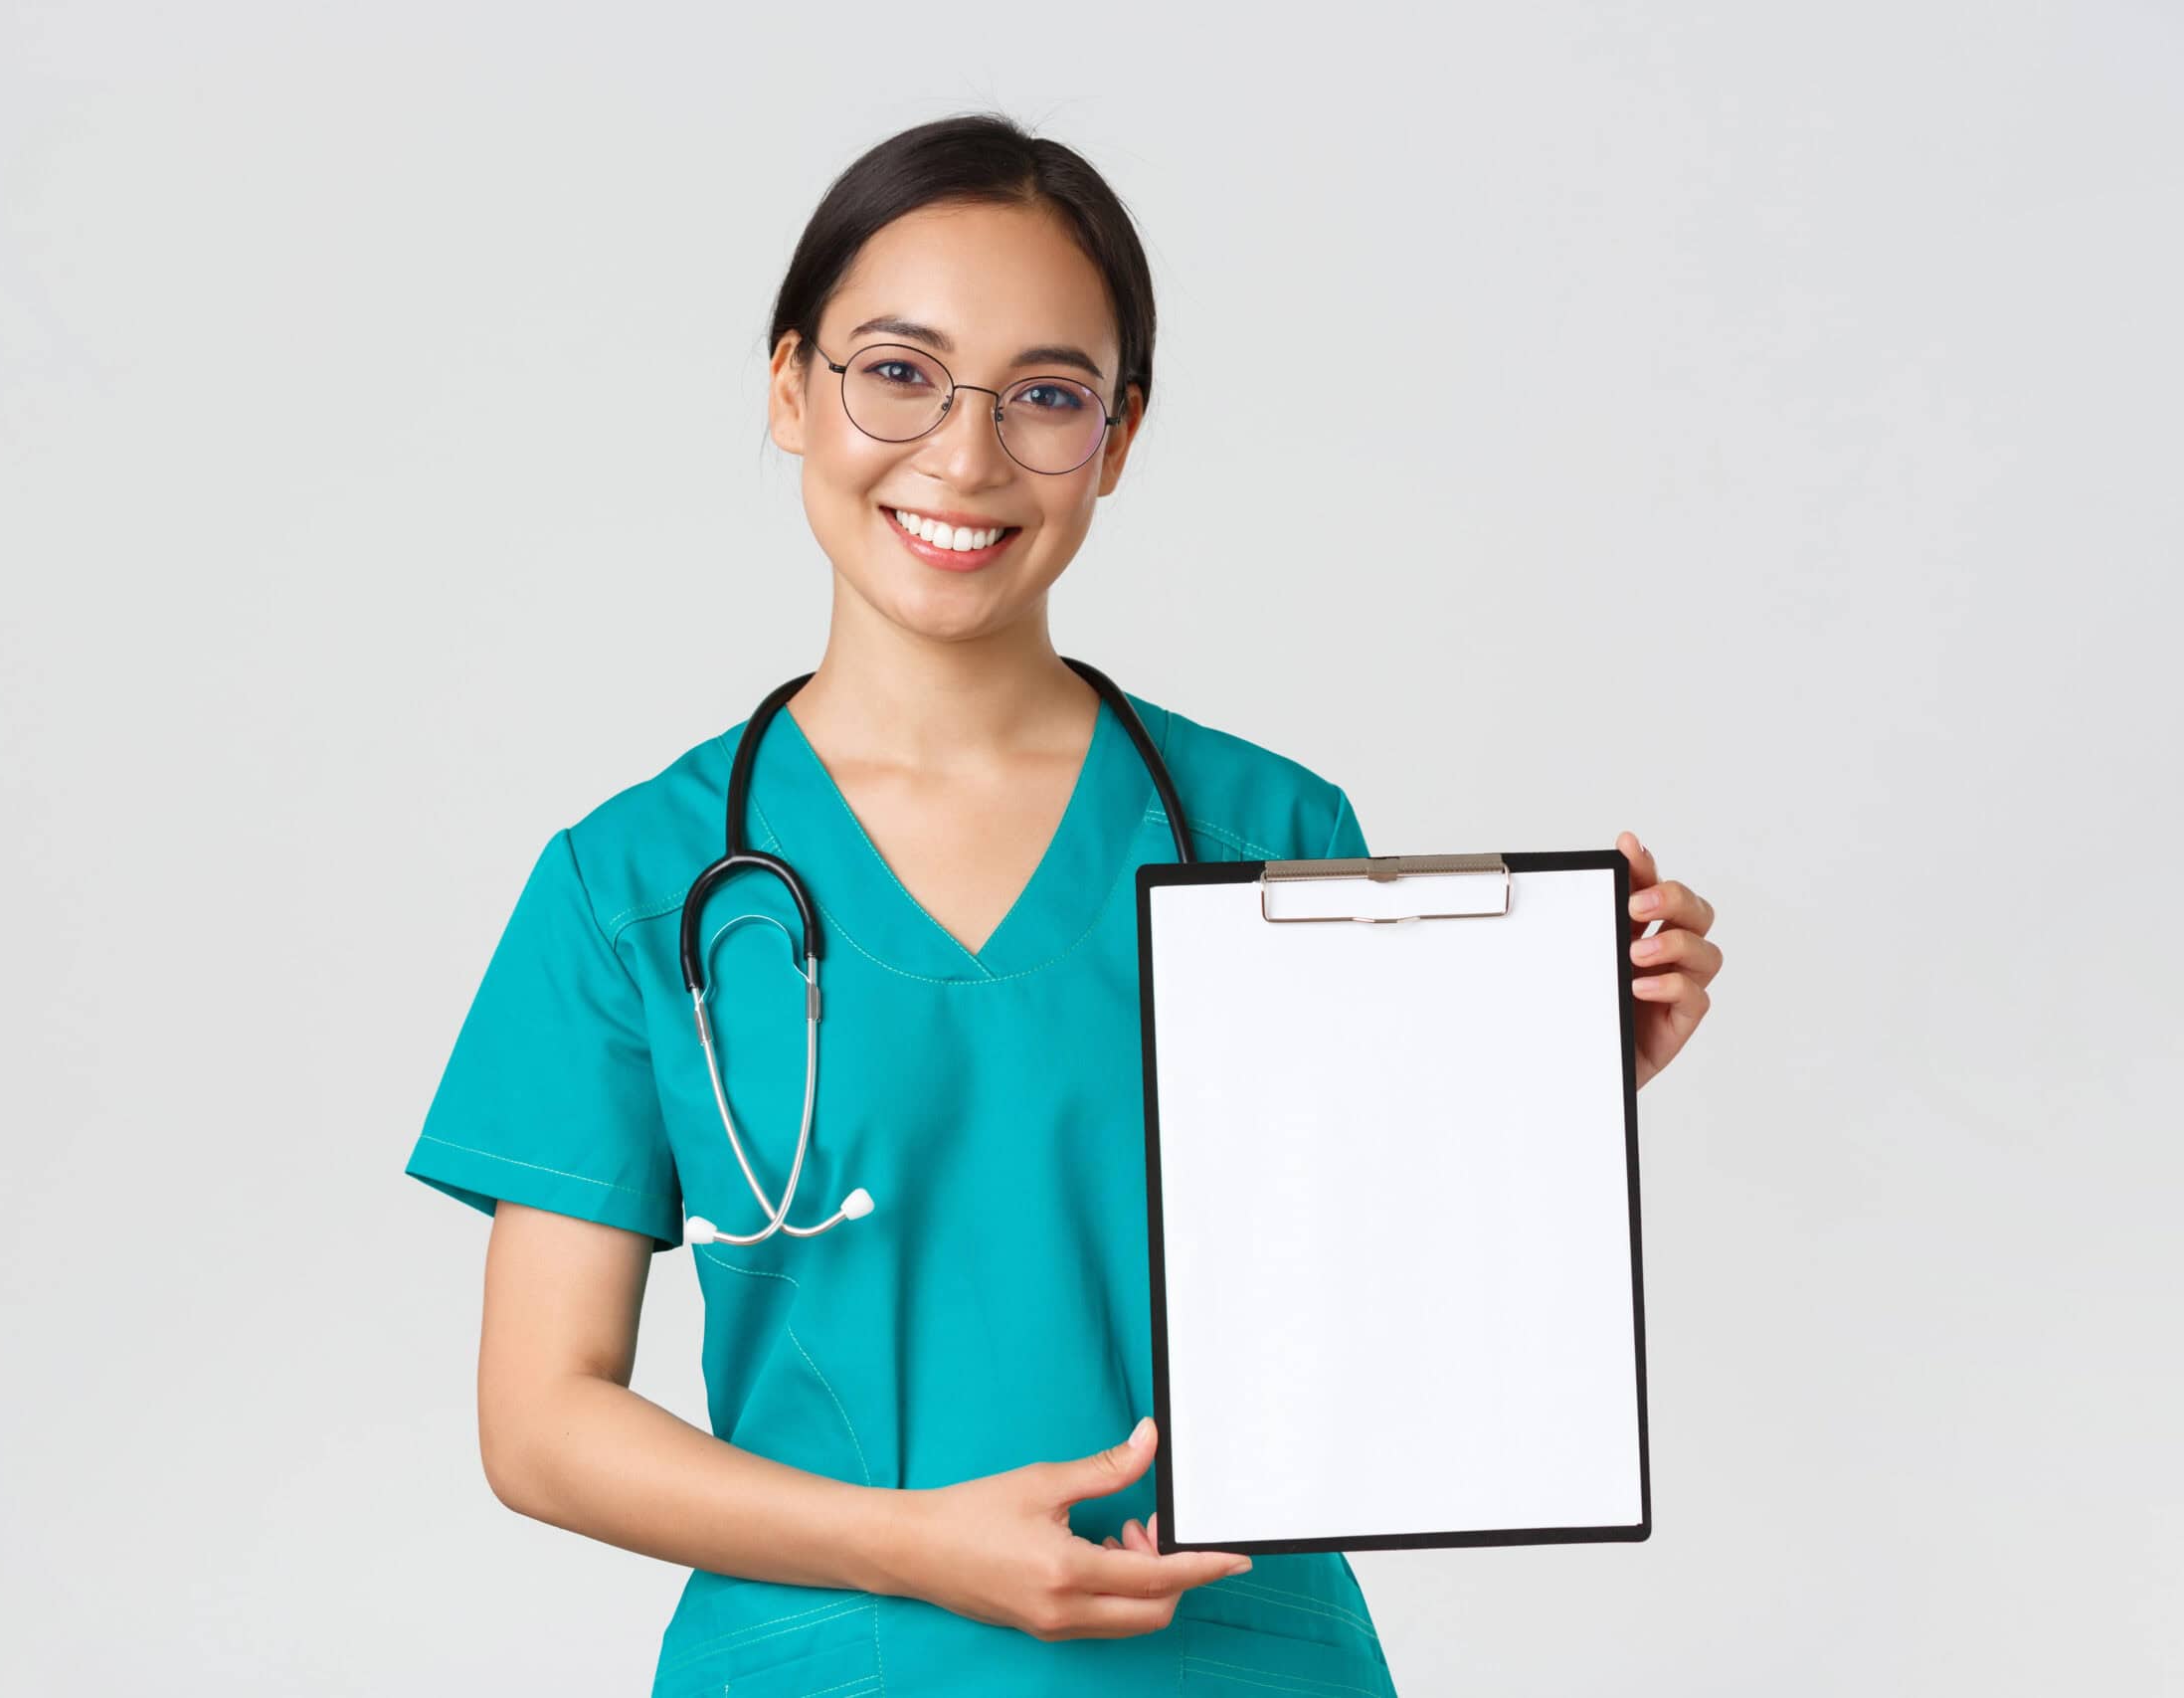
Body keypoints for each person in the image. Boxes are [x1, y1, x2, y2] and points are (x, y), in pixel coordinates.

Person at [402, 111, 1723, 1697]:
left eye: (1044, 395)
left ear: (1119, 435)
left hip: (1230, 1665)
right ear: (790, 387)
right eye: (899, 372)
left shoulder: (1270, 839)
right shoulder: (632, 887)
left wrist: (1543, 1093)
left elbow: (1370, 1323)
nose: (965, 458)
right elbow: (542, 1423)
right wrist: (915, 1546)